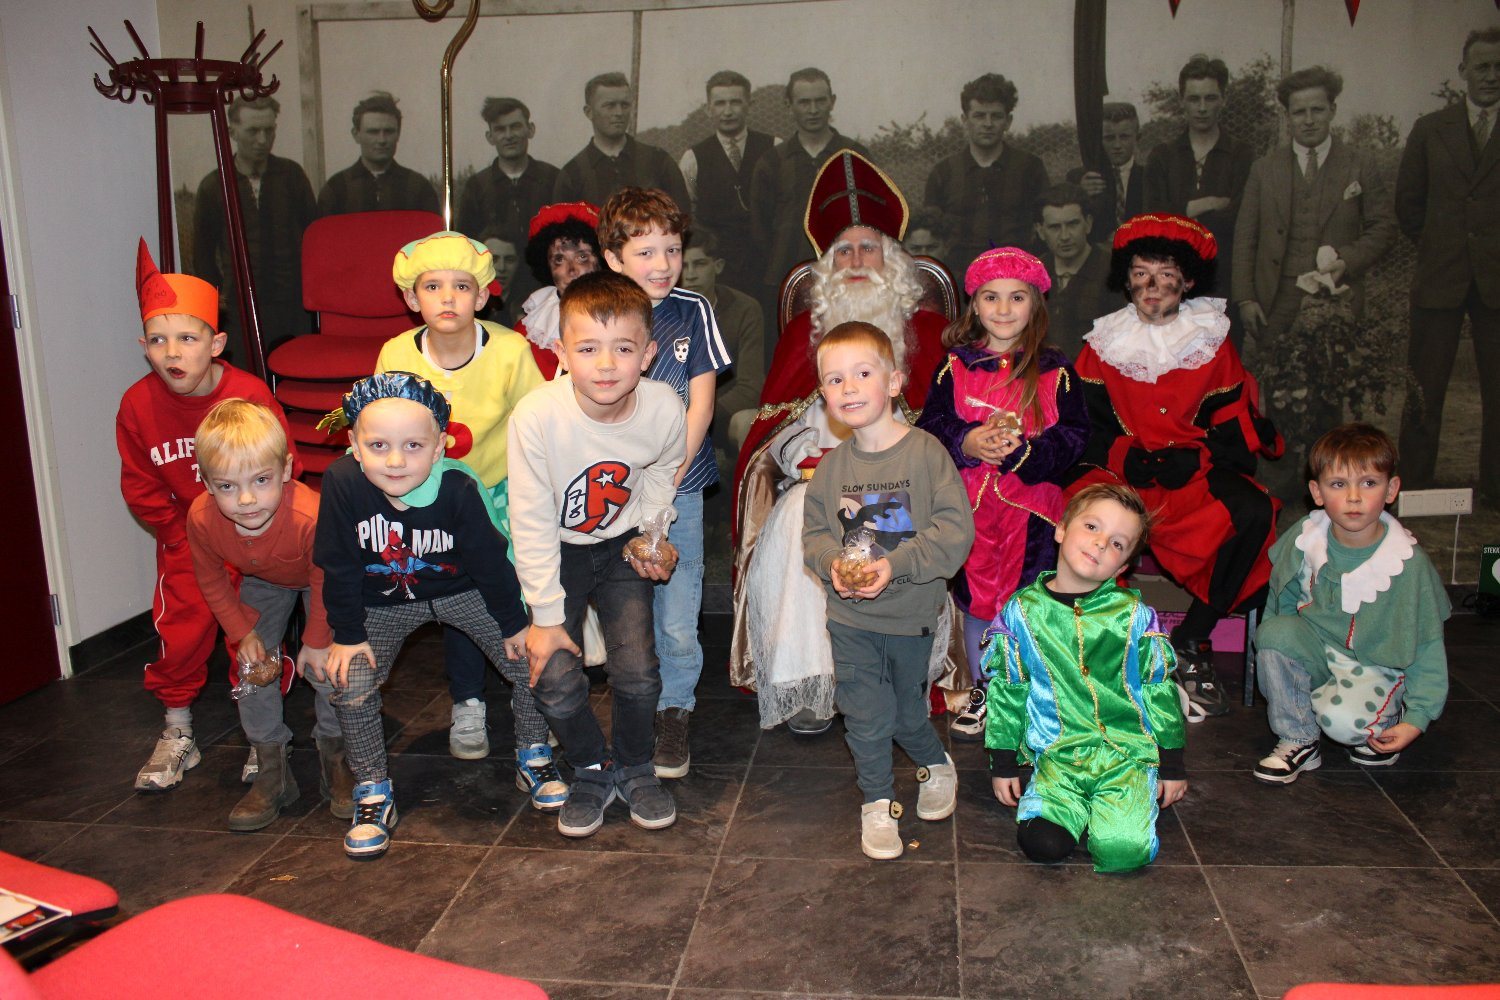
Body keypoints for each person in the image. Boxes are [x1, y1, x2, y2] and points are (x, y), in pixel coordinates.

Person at [732, 150, 952, 734]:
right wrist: (799, 453)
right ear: (827, 266)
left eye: (868, 248)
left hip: (903, 483)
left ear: (893, 260)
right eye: (843, 251)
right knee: (802, 514)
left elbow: (944, 429)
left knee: (883, 514)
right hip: (819, 482)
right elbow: (775, 434)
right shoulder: (803, 338)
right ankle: (811, 681)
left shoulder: (929, 333)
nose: (856, 261)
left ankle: (884, 677)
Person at [374, 232, 563, 810]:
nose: (448, 297)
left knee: (513, 602)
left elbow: (538, 421)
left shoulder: (509, 351)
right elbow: (382, 426)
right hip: (428, 501)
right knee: (452, 601)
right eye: (432, 287)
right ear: (412, 299)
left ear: (482, 296)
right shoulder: (396, 354)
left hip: (499, 499)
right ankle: (468, 703)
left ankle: (537, 708)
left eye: (462, 286)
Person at [1067, 213, 1281, 720]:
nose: (1152, 286)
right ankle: (1105, 648)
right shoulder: (1102, 345)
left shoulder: (1212, 341)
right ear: (1126, 280)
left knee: (1252, 512)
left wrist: (1200, 456)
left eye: (1166, 275)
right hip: (1122, 475)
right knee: (1085, 516)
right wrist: (1123, 456)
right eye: (1141, 273)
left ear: (1187, 282)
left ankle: (1190, 639)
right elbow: (1084, 427)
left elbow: (1232, 426)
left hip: (1189, 475)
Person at [313, 372, 530, 859]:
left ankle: (534, 754)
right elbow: (339, 564)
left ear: (438, 449)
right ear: (354, 446)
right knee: (350, 678)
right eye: (378, 445)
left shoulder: (457, 486)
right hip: (383, 601)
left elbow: (489, 561)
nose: (395, 460)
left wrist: (514, 623)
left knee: (532, 658)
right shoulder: (342, 483)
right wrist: (347, 634)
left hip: (460, 589)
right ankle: (372, 788)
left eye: (413, 445)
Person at [508, 271, 688, 838]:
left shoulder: (663, 407)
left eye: (623, 349)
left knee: (637, 670)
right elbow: (531, 519)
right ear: (561, 354)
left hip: (619, 545)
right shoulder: (537, 416)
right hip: (554, 551)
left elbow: (661, 469)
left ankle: (634, 765)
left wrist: (652, 535)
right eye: (587, 349)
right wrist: (544, 616)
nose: (606, 365)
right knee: (554, 674)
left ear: (649, 355)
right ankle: (590, 765)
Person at [118, 240, 300, 793]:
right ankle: (178, 728)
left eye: (187, 338)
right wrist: (183, 538)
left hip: (253, 536)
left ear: (216, 344)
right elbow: (140, 484)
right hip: (188, 539)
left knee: (255, 635)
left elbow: (282, 467)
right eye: (158, 339)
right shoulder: (137, 405)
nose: (172, 352)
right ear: (144, 347)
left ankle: (263, 737)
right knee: (182, 631)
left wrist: (261, 533)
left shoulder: (248, 394)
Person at [802, 321, 974, 860]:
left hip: (909, 615)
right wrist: (831, 563)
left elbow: (954, 532)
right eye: (835, 379)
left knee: (904, 713)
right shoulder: (832, 467)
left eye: (862, 374)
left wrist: (893, 565)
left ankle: (936, 765)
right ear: (823, 394)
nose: (848, 387)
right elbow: (815, 535)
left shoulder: (926, 454)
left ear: (894, 382)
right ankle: (877, 802)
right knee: (864, 713)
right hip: (849, 618)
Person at [915, 247, 1087, 742]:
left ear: (1035, 304)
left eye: (1017, 297)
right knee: (978, 602)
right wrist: (968, 441)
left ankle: (1033, 694)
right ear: (975, 305)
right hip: (969, 507)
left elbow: (1076, 437)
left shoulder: (1056, 371)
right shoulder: (954, 367)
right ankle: (986, 690)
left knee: (1029, 602)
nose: (1004, 309)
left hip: (1032, 512)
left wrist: (1025, 453)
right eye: (991, 297)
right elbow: (932, 424)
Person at [598, 187, 732, 779]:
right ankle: (634, 708)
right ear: (613, 258)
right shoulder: (597, 308)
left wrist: (674, 468)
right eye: (645, 252)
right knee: (625, 607)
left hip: (681, 484)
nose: (662, 264)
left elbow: (702, 403)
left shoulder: (692, 310)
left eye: (672, 250)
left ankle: (675, 709)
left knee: (677, 610)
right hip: (614, 490)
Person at [986, 483, 1187, 874]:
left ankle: (1124, 802)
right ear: (1061, 529)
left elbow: (1158, 690)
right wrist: (1003, 761)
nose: (1100, 544)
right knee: (1042, 845)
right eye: (1092, 527)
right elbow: (1009, 690)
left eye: (1117, 544)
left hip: (1125, 756)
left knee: (1122, 853)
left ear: (1123, 567)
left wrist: (1172, 764)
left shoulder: (1135, 616)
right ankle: (1070, 806)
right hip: (1060, 755)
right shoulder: (1022, 612)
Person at [186, 399, 353, 830]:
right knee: (252, 669)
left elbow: (326, 577)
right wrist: (242, 634)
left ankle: (337, 759)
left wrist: (316, 641)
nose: (246, 500)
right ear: (205, 482)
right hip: (264, 581)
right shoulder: (201, 519)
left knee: (329, 667)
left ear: (285, 470)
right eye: (227, 486)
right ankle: (272, 771)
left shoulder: (310, 516)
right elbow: (211, 580)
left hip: (326, 580)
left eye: (261, 480)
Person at [1234, 66, 1396, 508]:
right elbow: (1246, 236)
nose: (1308, 120)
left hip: (1334, 297)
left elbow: (1383, 228)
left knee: (1327, 392)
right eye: (1299, 112)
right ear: (1287, 116)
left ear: (1333, 110)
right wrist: (1246, 296)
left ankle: (1330, 481)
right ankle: (1281, 482)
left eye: (1317, 110)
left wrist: (1346, 262)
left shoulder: (1359, 163)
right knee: (1276, 391)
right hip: (1277, 297)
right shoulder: (1265, 169)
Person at [1253, 423, 1451, 784]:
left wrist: (1417, 718)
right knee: (1274, 632)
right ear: (1317, 492)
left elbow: (1426, 644)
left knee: (1345, 725)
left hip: (1375, 662)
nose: (1354, 497)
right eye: (1338, 484)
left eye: (1369, 483)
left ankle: (1383, 713)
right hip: (1317, 650)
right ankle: (1299, 737)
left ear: (1391, 489)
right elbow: (1280, 605)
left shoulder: (1405, 563)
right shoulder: (1306, 539)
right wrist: (1278, 669)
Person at [1396, 27, 1500, 507]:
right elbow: (1408, 205)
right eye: (1482, 67)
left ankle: (1496, 489)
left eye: (1499, 67)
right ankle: (1416, 487)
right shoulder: (1430, 129)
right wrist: (1442, 246)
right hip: (1440, 277)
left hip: (1498, 281)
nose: (1492, 76)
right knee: (1425, 386)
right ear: (1463, 71)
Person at [192, 96, 317, 354]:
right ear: (233, 132)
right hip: (239, 314)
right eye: (253, 131)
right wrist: (216, 302)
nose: (262, 139)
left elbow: (315, 238)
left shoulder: (292, 176)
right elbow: (202, 253)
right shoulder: (215, 184)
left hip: (293, 308)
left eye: (268, 130)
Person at [1143, 56, 1253, 346]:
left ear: (1223, 100)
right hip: (1172, 283)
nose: (1202, 107)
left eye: (1210, 98)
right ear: (1182, 101)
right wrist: (1202, 205)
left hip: (1223, 279)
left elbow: (1238, 218)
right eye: (1194, 99)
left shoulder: (1241, 155)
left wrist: (1180, 214)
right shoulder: (1163, 156)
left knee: (1223, 362)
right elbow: (1154, 221)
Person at [749, 68, 870, 328]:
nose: (813, 110)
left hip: (848, 275)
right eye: (804, 102)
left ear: (832, 101)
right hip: (785, 278)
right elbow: (759, 228)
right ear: (789, 105)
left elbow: (872, 220)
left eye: (820, 101)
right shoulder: (772, 162)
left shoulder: (855, 155)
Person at [923, 73, 1049, 267]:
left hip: (1014, 273)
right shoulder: (943, 173)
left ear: (1008, 121)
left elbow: (1047, 226)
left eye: (996, 116)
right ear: (965, 120)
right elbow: (930, 234)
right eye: (979, 116)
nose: (988, 124)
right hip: (959, 275)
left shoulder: (1030, 168)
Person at [678, 71, 776, 296]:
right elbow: (688, 208)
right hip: (718, 268)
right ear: (708, 109)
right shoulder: (693, 160)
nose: (728, 111)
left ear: (749, 105)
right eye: (720, 103)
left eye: (735, 102)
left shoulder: (773, 148)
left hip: (765, 264)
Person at [458, 97, 560, 309]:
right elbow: (466, 247)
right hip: (495, 298)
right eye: (500, 129)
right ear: (490, 137)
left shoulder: (553, 179)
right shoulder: (477, 186)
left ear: (530, 129)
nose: (509, 135)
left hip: (547, 291)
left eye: (515, 127)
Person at [681, 226, 765, 457]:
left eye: (699, 264)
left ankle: (744, 479)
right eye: (683, 266)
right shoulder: (662, 310)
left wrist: (702, 416)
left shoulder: (745, 309)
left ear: (717, 266)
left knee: (747, 421)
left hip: (723, 414)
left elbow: (751, 386)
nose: (690, 275)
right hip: (675, 417)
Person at [553, 73, 689, 214]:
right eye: (609, 106)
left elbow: (683, 218)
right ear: (589, 112)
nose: (619, 112)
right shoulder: (572, 174)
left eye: (624, 105)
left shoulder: (659, 162)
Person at [514, 201, 602, 379]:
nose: (572, 270)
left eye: (582, 257)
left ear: (602, 259)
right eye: (559, 260)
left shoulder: (626, 315)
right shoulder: (528, 332)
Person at [317, 92, 439, 216]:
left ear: (398, 134)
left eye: (389, 131)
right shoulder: (336, 189)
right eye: (373, 132)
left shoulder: (418, 188)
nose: (382, 140)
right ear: (356, 134)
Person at [1032, 183, 1115, 359]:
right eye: (1054, 227)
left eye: (1072, 224)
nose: (1065, 236)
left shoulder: (1113, 272)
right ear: (1040, 231)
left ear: (1088, 223)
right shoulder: (1032, 273)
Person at [1068, 102, 1145, 244]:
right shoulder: (1081, 178)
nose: (1117, 145)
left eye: (1124, 137)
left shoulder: (1149, 177)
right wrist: (1079, 194)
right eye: (1109, 138)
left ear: (1137, 137)